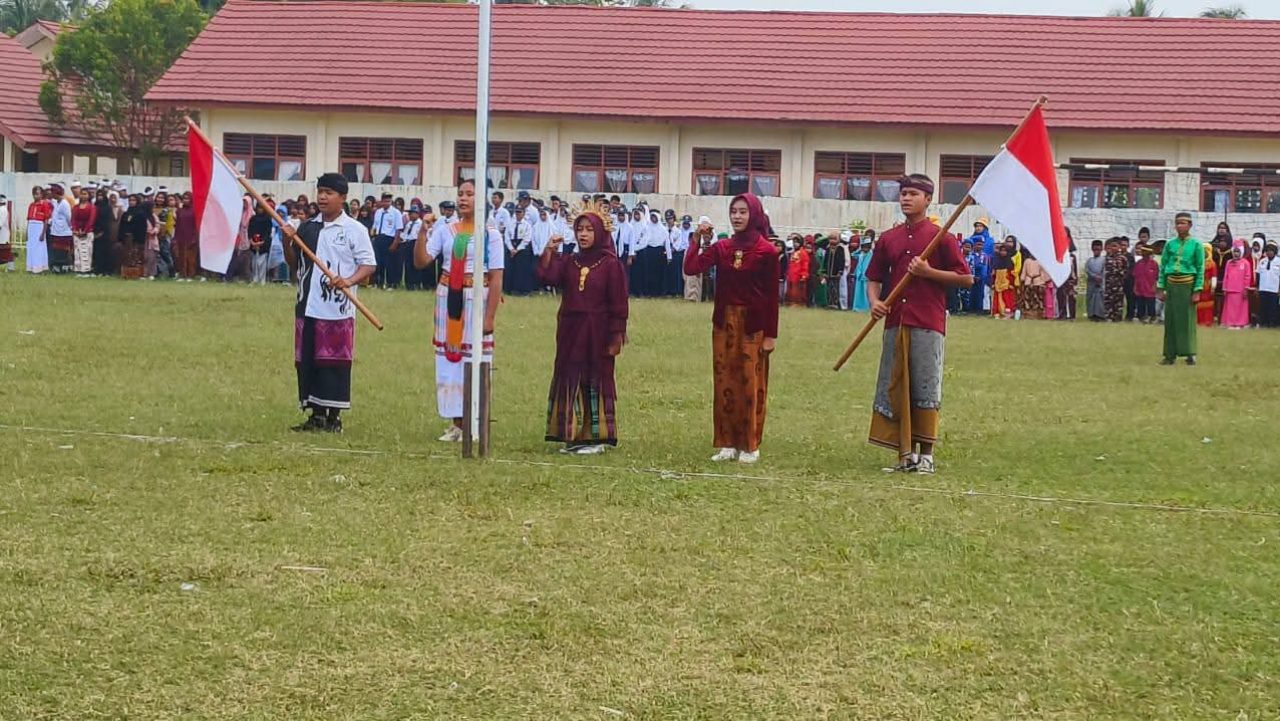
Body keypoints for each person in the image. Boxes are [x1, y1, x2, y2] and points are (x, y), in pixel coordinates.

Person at [866, 174, 972, 475]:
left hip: (928, 322)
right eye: (902, 193)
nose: (905, 198)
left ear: (928, 199)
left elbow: (965, 278)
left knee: (925, 384)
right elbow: (873, 278)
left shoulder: (942, 237)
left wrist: (928, 271)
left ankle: (926, 455)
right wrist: (876, 302)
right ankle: (904, 454)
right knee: (895, 384)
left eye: (912, 193)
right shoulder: (889, 238)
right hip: (895, 322)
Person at [683, 193, 779, 464]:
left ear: (755, 215)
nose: (737, 216)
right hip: (724, 322)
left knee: (751, 383)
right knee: (725, 380)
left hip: (754, 325)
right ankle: (727, 442)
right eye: (734, 211)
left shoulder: (767, 251)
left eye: (743, 212)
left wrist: (770, 335)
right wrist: (698, 240)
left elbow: (773, 297)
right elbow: (692, 268)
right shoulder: (722, 247)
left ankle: (750, 444)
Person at [285, 173, 376, 433]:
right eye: (320, 192)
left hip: (337, 309)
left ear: (343, 197)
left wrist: (349, 280)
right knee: (308, 360)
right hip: (307, 304)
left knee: (333, 362)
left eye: (329, 192)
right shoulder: (309, 228)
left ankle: (333, 417)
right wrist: (287, 239)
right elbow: (295, 264)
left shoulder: (354, 230)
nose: (322, 197)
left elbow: (368, 265)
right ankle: (316, 414)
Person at [415, 178, 505, 442]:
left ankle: (474, 421)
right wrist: (423, 233)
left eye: (470, 194)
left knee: (475, 358)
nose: (463, 199)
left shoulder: (491, 234)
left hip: (476, 299)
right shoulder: (445, 230)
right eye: (461, 194)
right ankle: (456, 422)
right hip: (448, 300)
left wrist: (489, 317)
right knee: (449, 359)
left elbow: (497, 277)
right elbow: (422, 261)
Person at [536, 211, 629, 455]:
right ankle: (572, 434)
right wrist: (550, 251)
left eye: (589, 229)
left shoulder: (611, 264)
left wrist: (616, 335)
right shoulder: (570, 261)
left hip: (597, 332)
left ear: (599, 232)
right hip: (570, 330)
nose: (583, 234)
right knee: (570, 376)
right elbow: (547, 276)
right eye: (580, 230)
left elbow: (619, 305)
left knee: (594, 378)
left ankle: (595, 437)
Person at [1156, 212, 1205, 366]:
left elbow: (1200, 267)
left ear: (1190, 225)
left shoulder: (1196, 245)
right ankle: (1169, 355)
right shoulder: (1170, 244)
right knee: (1170, 320)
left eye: (1183, 223)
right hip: (1171, 285)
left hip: (1187, 285)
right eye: (1177, 223)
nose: (1179, 226)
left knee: (1187, 321)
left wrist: (1197, 290)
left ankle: (1190, 353)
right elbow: (1163, 266)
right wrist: (1160, 287)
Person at [370, 192, 403, 289]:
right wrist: (372, 232)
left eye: (388, 201)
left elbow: (399, 229)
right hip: (379, 237)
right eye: (384, 201)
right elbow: (375, 225)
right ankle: (378, 282)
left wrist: (395, 243)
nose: (386, 203)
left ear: (391, 201)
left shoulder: (395, 213)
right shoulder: (378, 212)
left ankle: (391, 283)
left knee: (390, 263)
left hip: (389, 238)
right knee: (378, 262)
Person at [1220, 239, 1252, 329]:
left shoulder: (1245, 263)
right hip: (1230, 289)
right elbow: (1226, 276)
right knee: (1230, 308)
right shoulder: (1229, 262)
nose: (1236, 254)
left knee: (1240, 308)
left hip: (1241, 290)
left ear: (1241, 252)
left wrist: (1246, 289)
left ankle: (1240, 323)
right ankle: (1230, 322)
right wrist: (1224, 288)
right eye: (1234, 251)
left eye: (1238, 252)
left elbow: (1247, 276)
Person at [45, 183, 73, 274]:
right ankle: (57, 267)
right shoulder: (56, 203)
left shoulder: (65, 204)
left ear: (56, 193)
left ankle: (65, 267)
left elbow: (69, 218)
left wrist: (69, 228)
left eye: (53, 193)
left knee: (64, 251)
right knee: (56, 251)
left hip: (64, 231)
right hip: (55, 231)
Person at [71, 188, 97, 276]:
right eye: (82, 194)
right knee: (77, 251)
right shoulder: (75, 207)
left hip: (88, 232)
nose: (83, 196)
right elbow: (73, 220)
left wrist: (85, 231)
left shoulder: (92, 207)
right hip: (77, 232)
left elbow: (91, 220)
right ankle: (78, 269)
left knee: (87, 251)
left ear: (89, 196)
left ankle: (86, 270)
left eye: (85, 194)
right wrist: (75, 230)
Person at [173, 192, 198, 281]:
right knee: (181, 256)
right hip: (181, 236)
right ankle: (182, 275)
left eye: (187, 198)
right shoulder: (179, 211)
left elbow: (196, 225)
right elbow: (177, 225)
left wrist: (195, 238)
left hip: (191, 236)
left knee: (191, 257)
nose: (185, 200)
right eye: (184, 199)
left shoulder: (195, 210)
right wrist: (175, 238)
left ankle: (191, 275)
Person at [1132, 243, 1159, 323]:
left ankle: (1152, 317)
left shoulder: (1154, 264)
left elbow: (1157, 277)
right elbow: (1135, 276)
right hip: (1140, 288)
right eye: (1143, 253)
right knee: (1140, 305)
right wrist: (1135, 287)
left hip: (1150, 289)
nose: (1145, 255)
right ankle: (1142, 318)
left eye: (1147, 253)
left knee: (1151, 305)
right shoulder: (1138, 263)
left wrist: (1155, 286)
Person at [248, 201, 274, 284]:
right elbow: (250, 231)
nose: (260, 210)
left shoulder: (267, 220)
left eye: (262, 208)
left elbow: (268, 232)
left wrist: (262, 242)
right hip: (254, 243)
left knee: (262, 263)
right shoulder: (253, 219)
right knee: (254, 263)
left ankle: (262, 280)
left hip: (263, 245)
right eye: (259, 208)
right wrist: (252, 240)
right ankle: (254, 278)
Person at [1257, 241, 1280, 328]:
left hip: (1274, 289)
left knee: (1273, 307)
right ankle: (1264, 323)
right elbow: (1258, 274)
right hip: (1263, 288)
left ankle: (1272, 323)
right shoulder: (1262, 261)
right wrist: (1257, 287)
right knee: (1263, 306)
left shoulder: (1279, 261)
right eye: (1268, 250)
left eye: (1271, 250)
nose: (1269, 252)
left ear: (1275, 251)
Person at [990, 242, 1017, 319]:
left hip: (1006, 284)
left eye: (1005, 251)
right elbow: (994, 274)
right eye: (1001, 250)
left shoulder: (1010, 262)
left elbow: (1012, 274)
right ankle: (997, 312)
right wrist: (992, 283)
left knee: (1007, 299)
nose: (1003, 252)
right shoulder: (996, 261)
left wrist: (1011, 283)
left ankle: (1008, 313)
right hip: (998, 283)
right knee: (997, 299)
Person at [1103, 237, 1127, 322]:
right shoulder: (1106, 258)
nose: (1113, 248)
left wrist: (1119, 271)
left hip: (1118, 286)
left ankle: (1118, 319)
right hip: (1108, 286)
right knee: (1108, 302)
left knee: (1118, 304)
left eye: (1115, 246)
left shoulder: (1122, 258)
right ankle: (1108, 317)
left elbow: (1125, 272)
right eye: (1111, 246)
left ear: (1119, 247)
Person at [1019, 248, 1047, 320]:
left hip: (1038, 281)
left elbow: (1043, 272)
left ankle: (1039, 314)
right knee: (1027, 298)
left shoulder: (1040, 261)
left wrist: (1043, 280)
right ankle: (1027, 314)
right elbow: (1024, 271)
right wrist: (1022, 279)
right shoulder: (1027, 261)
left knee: (1038, 298)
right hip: (1028, 281)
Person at [1197, 242, 1218, 327]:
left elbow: (1214, 276)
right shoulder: (1197, 263)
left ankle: (1208, 321)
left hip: (1208, 287)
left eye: (1206, 252)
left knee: (1208, 304)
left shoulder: (1212, 264)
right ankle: (1199, 321)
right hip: (1199, 286)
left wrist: (1213, 286)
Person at [1085, 240, 1106, 321]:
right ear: (1092, 249)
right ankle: (1091, 314)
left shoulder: (1104, 260)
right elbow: (1087, 270)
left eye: (1098, 249)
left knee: (1099, 298)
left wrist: (1100, 277)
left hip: (1100, 283)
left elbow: (1105, 270)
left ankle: (1100, 315)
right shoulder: (1089, 260)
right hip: (1091, 282)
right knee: (1090, 298)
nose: (1096, 251)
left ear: (1101, 249)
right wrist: (1094, 276)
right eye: (1095, 249)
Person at [785, 239, 810, 306]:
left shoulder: (803, 253)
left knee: (798, 291)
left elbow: (805, 264)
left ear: (800, 243)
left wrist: (804, 275)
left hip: (798, 275)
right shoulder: (793, 252)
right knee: (790, 290)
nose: (795, 244)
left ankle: (798, 303)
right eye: (794, 242)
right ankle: (790, 303)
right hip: (791, 275)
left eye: (797, 242)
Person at [852, 236, 874, 312]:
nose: (865, 248)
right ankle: (857, 307)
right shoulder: (860, 254)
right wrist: (859, 250)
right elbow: (853, 255)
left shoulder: (871, 254)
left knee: (866, 292)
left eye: (867, 246)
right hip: (859, 275)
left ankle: (866, 307)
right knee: (858, 292)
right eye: (864, 246)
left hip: (866, 276)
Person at [0, 195, 11, 272]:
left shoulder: (2, 210)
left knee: (5, 253)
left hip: (3, 235)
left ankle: (10, 268)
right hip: (2, 235)